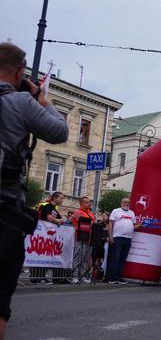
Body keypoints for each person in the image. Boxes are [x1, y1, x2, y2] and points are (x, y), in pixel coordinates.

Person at [0, 42, 68, 337]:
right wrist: (41, 97)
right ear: (19, 72)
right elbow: (59, 131)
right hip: (4, 208)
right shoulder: (20, 103)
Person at [107, 197, 143, 284]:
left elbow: (133, 226)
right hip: (117, 237)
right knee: (115, 258)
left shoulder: (132, 213)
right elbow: (110, 224)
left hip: (128, 238)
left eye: (128, 202)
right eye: (125, 202)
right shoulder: (116, 211)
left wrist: (140, 225)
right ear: (121, 203)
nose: (127, 204)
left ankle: (119, 277)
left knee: (123, 259)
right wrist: (110, 236)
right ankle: (112, 278)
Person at [71, 197, 96, 284]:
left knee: (85, 259)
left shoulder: (90, 213)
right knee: (78, 258)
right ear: (81, 204)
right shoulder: (78, 212)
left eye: (89, 202)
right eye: (87, 202)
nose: (89, 204)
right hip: (80, 238)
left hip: (89, 238)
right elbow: (82, 222)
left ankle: (82, 276)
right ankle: (74, 276)